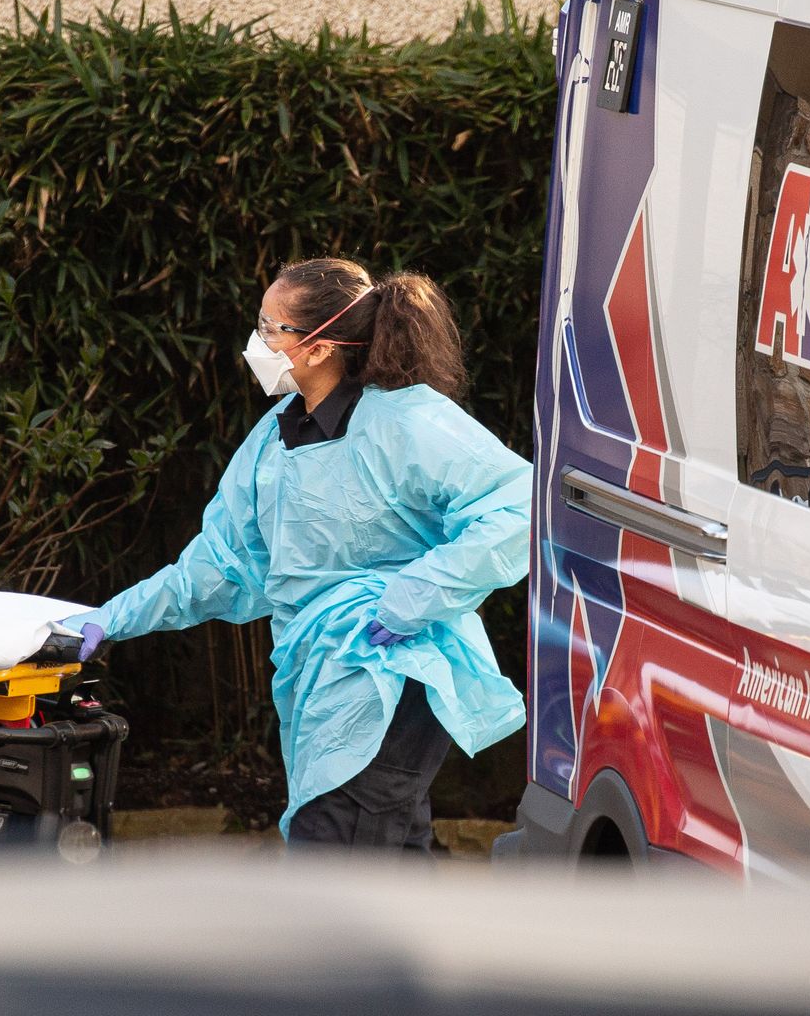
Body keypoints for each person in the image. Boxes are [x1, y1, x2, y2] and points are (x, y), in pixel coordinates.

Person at [65, 258, 530, 849]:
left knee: (334, 859)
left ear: (318, 348)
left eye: (270, 328)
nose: (256, 343)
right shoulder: (274, 439)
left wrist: (408, 601)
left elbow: (517, 507)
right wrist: (112, 619)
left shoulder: (406, 422)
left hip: (392, 675)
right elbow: (220, 564)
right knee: (380, 859)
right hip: (319, 673)